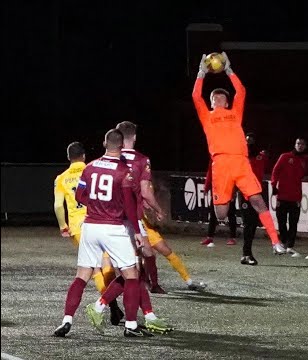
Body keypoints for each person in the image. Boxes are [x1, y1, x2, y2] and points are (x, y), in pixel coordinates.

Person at [54, 129, 151, 338]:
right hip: (114, 227)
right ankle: (131, 325)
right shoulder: (125, 170)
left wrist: (96, 205)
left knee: (82, 275)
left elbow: (80, 194)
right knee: (131, 275)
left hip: (90, 227)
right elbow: (129, 205)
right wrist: (135, 230)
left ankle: (66, 320)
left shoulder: (89, 167)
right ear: (121, 146)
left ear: (104, 143)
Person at [192, 52, 286, 255]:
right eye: (214, 97)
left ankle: (275, 242)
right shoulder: (207, 117)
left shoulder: (234, 114)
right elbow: (195, 96)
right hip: (221, 165)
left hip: (241, 163)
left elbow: (241, 91)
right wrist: (201, 73)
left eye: (222, 97)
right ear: (211, 103)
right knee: (222, 213)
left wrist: (229, 70)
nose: (218, 98)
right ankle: (231, 196)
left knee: (258, 200)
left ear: (227, 103)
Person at [116, 121, 206, 291]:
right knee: (143, 254)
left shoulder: (110, 159)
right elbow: (145, 191)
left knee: (149, 252)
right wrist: (158, 209)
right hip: (132, 218)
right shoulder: (141, 159)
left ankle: (180, 281)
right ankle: (144, 287)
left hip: (117, 218)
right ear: (134, 137)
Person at [53, 141, 122, 324]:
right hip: (99, 221)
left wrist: (63, 226)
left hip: (77, 227)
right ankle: (112, 305)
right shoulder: (93, 169)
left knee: (93, 270)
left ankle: (112, 306)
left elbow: (58, 205)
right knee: (108, 265)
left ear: (68, 158)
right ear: (84, 156)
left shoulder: (61, 178)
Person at [271, 137, 308, 257]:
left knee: (293, 223)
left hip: (295, 197)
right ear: (295, 144)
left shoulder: (305, 160)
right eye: (298, 143)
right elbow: (275, 171)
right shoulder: (285, 156)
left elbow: (303, 174)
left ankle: (290, 246)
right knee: (282, 221)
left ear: (305, 146)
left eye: (302, 144)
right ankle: (283, 243)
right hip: (282, 195)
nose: (300, 146)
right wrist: (273, 185)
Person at [239, 133, 269, 265]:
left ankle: (246, 253)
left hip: (256, 194)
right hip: (245, 194)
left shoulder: (260, 157)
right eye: (246, 141)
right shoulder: (241, 157)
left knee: (252, 224)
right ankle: (246, 253)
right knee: (248, 224)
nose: (248, 143)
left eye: (251, 140)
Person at [201, 159, 238, 246]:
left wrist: (234, 191)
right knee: (213, 213)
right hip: (216, 190)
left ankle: (233, 237)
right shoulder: (214, 157)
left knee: (231, 213)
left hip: (228, 189)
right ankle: (210, 237)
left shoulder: (230, 158)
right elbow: (210, 172)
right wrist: (206, 187)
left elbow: (235, 174)